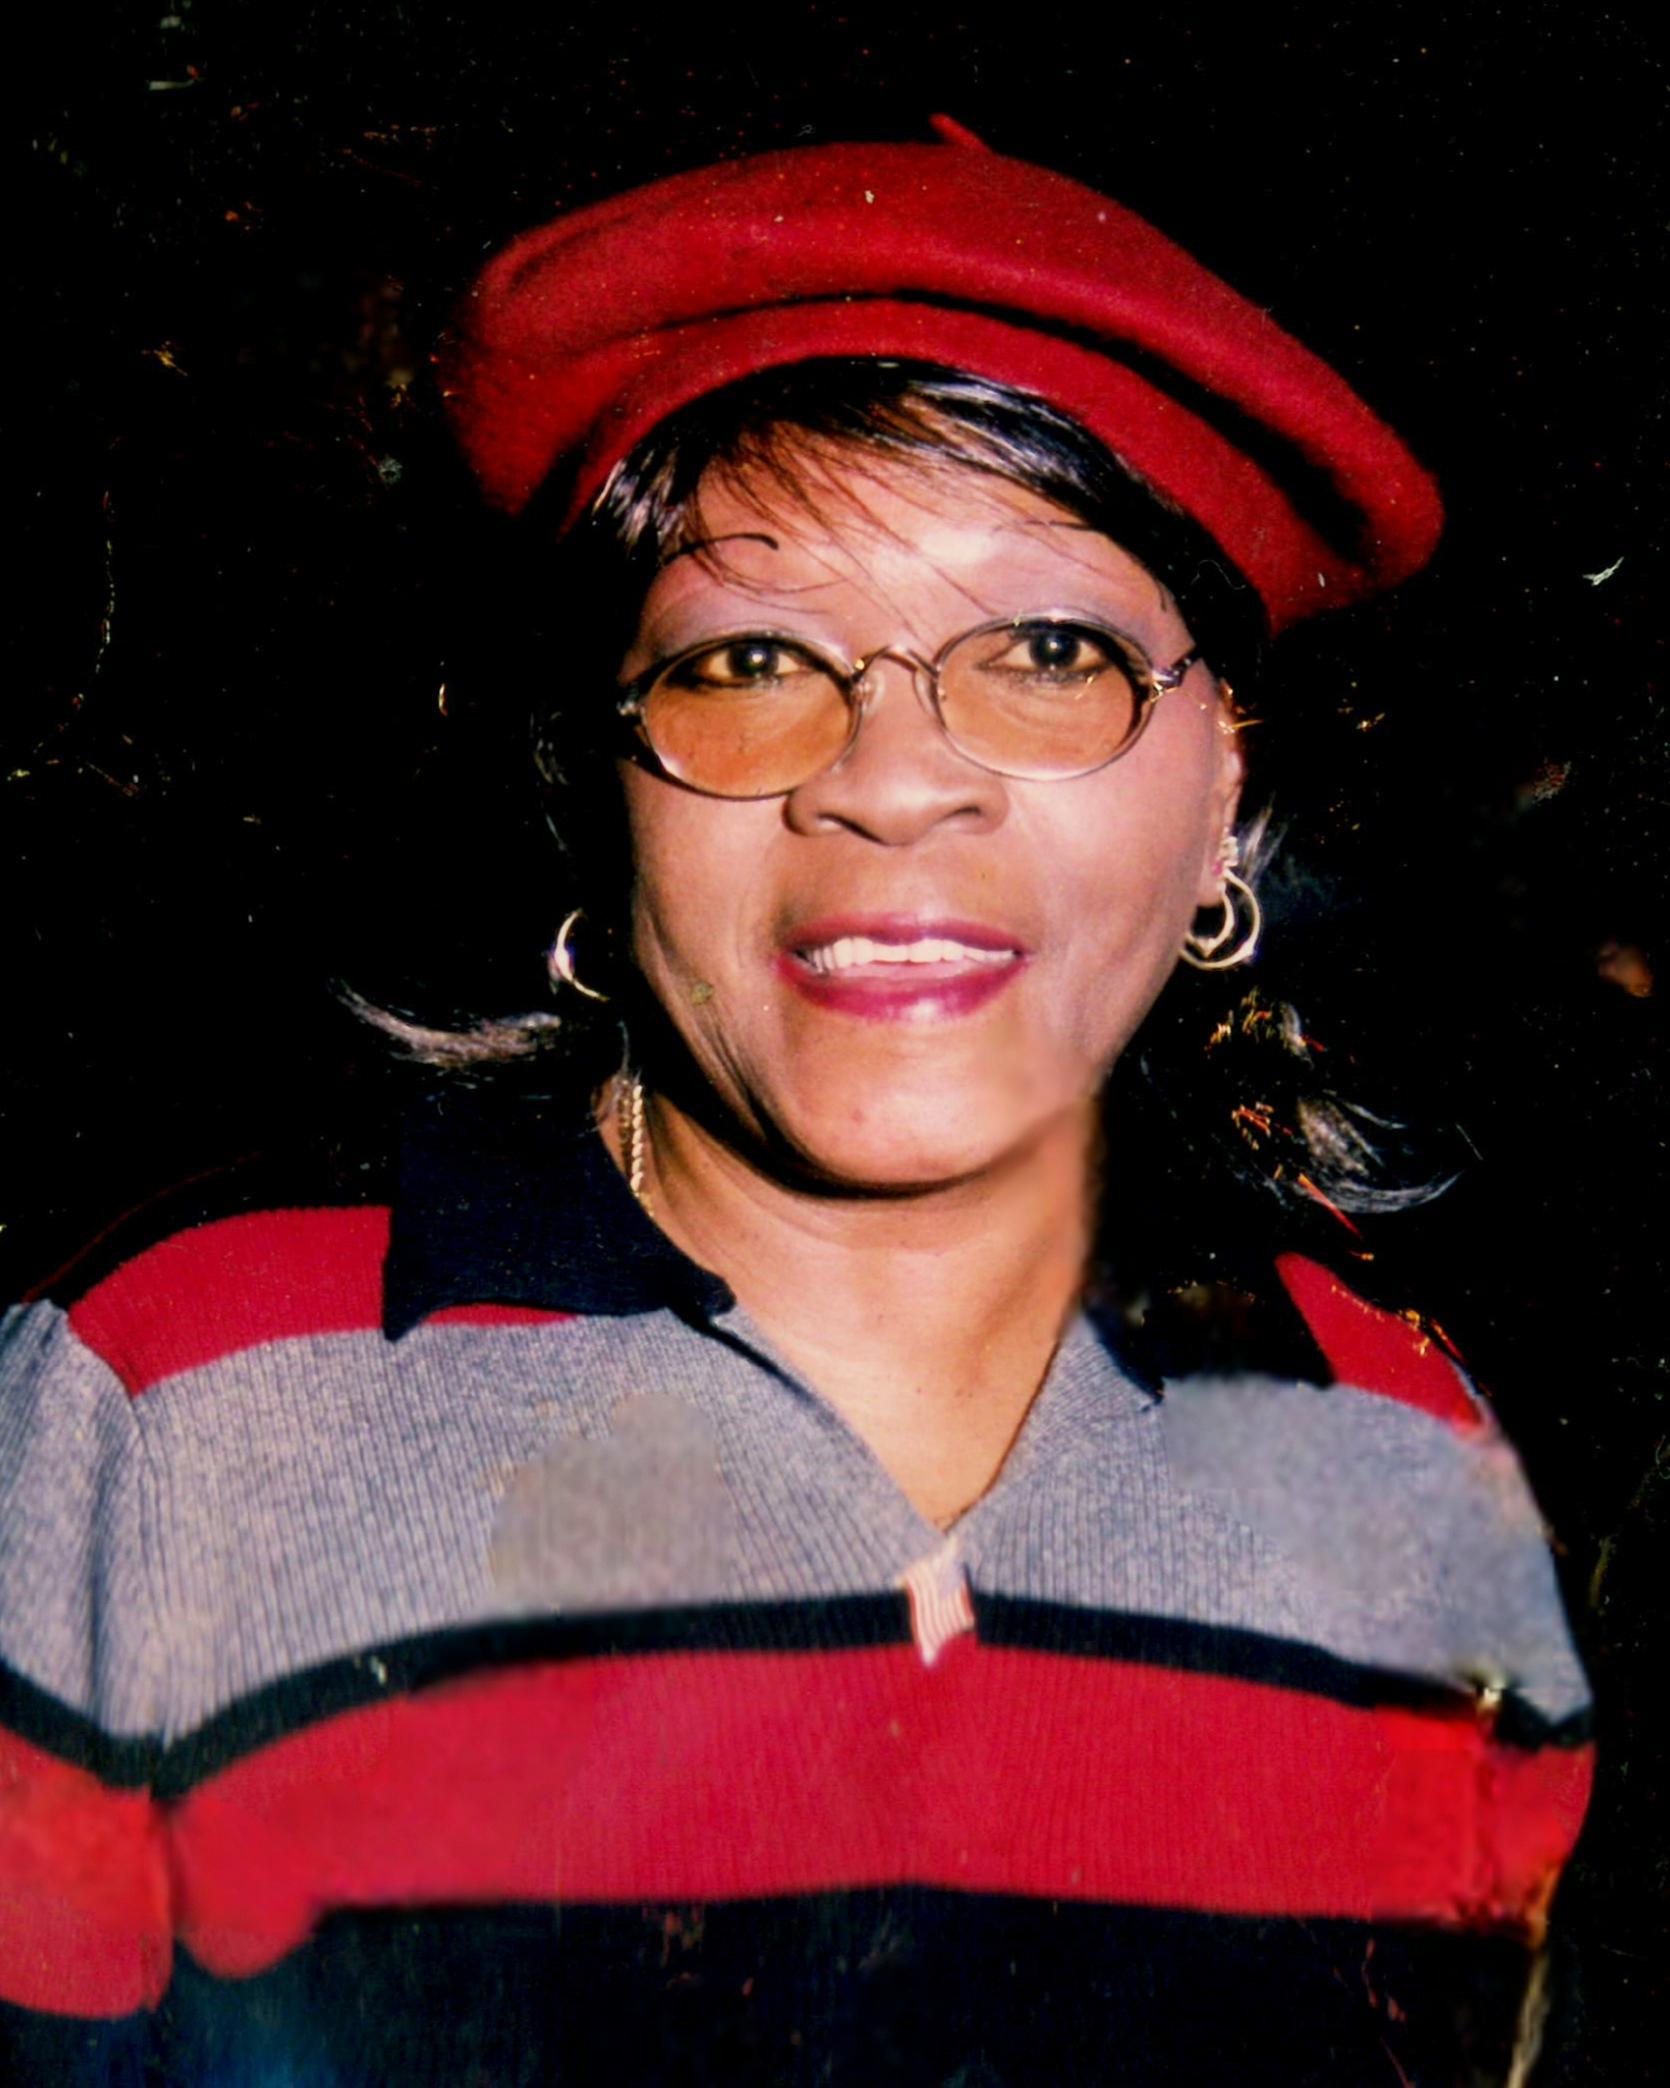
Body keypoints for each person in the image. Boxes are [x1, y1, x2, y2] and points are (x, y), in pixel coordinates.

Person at [0, 129, 1592, 2084]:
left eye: (1050, 656)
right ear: (604, 790)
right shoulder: (174, 1401)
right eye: (748, 661)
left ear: (1219, 798)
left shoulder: (1403, 1455)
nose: (888, 779)